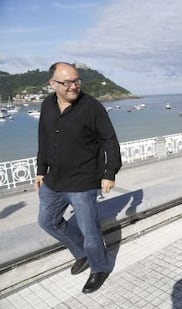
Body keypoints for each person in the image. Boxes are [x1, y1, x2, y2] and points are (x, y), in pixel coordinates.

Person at [34, 62, 122, 294]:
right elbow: (43, 138)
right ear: (52, 84)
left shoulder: (91, 106)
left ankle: (99, 267)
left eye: (76, 81)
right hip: (53, 180)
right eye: (67, 82)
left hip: (83, 180)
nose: (74, 86)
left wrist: (109, 172)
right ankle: (82, 253)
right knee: (47, 221)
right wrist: (40, 170)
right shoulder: (47, 105)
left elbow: (109, 141)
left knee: (89, 230)